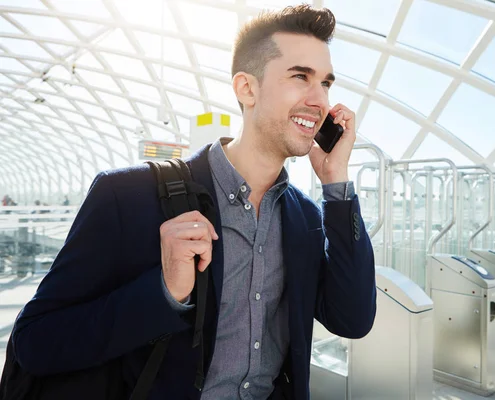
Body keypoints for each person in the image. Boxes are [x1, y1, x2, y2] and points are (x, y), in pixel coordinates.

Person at [11, 5, 376, 400]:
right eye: (300, 77)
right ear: (246, 88)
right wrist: (164, 291)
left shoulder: (304, 218)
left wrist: (336, 183)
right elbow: (36, 341)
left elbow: (353, 319)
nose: (318, 98)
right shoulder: (128, 198)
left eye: (325, 83)